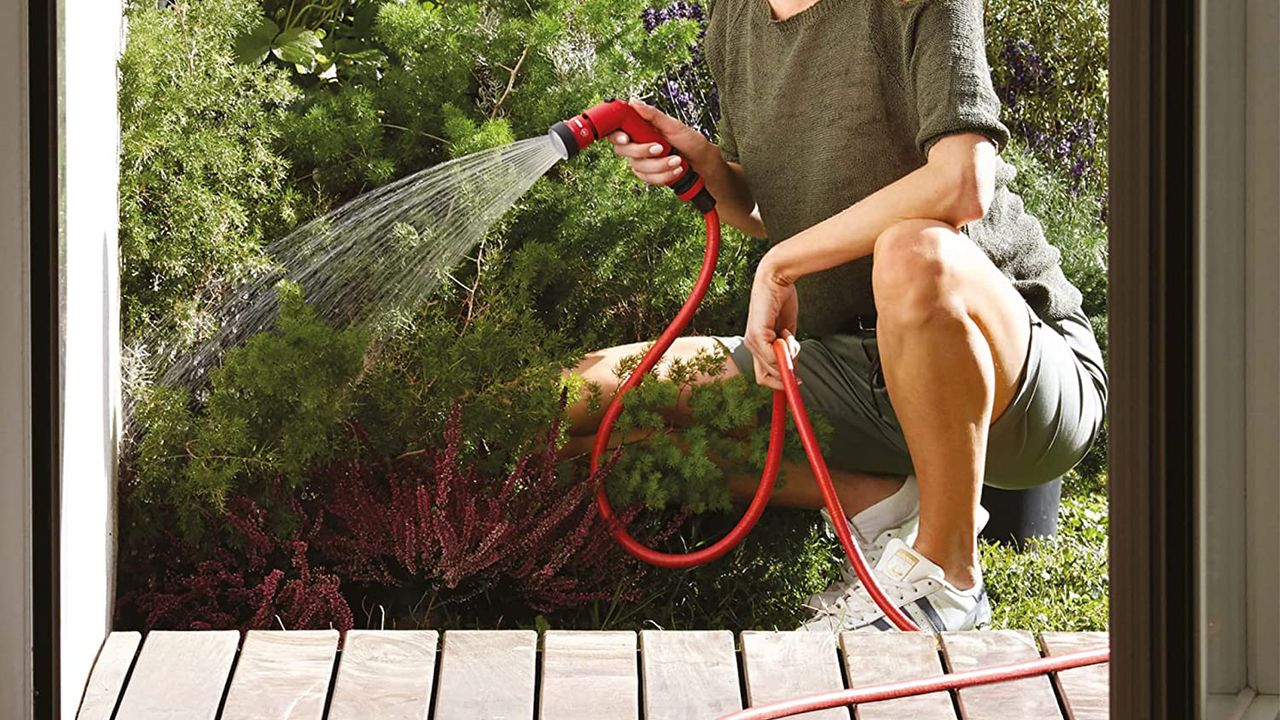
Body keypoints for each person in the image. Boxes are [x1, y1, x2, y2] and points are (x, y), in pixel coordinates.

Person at [560, 0, 1107, 633]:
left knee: (914, 252)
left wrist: (782, 265)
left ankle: (947, 577)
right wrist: (710, 168)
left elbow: (963, 182)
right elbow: (770, 208)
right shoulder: (736, 17)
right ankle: (881, 506)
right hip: (855, 366)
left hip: (1017, 378)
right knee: (588, 416)